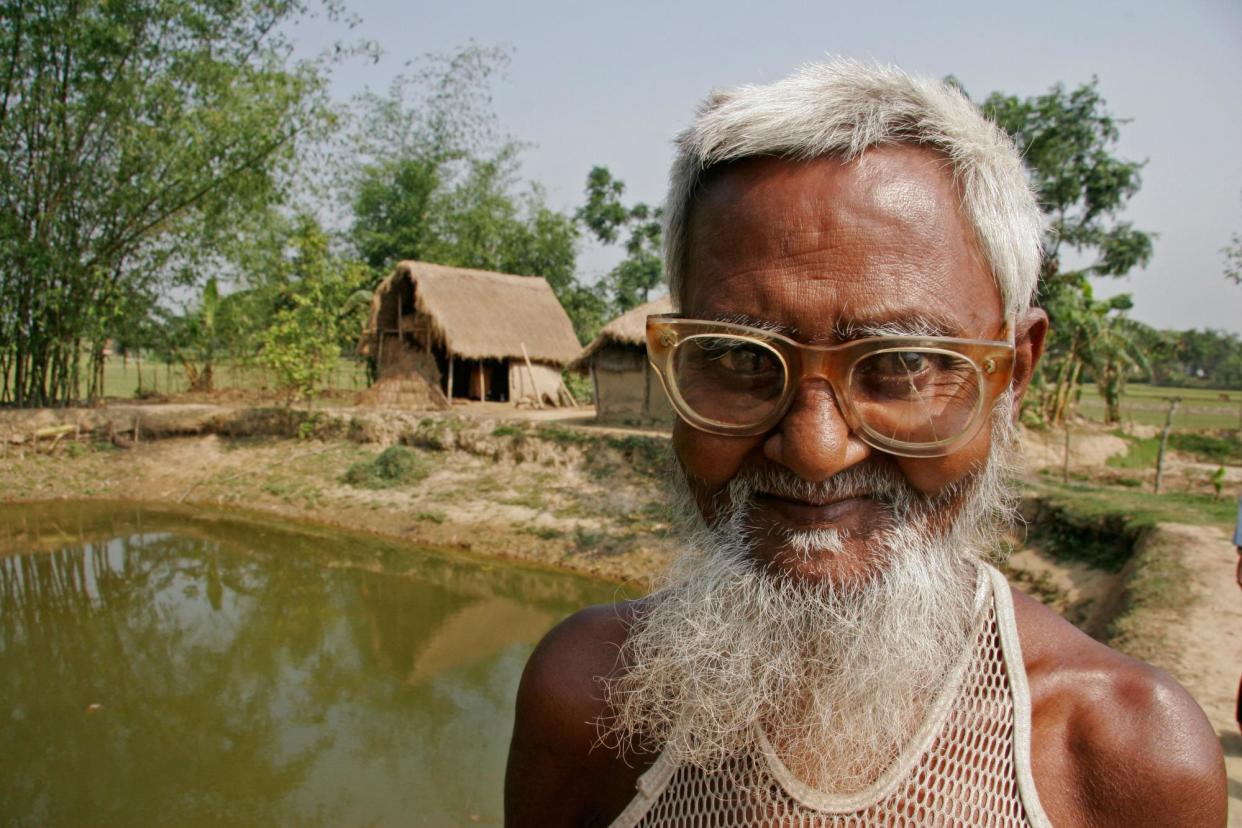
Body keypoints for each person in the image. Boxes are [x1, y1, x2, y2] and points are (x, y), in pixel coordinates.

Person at [505, 60, 1226, 827]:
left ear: (1014, 374)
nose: (815, 451)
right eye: (743, 359)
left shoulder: (1124, 757)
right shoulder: (589, 700)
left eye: (905, 364)